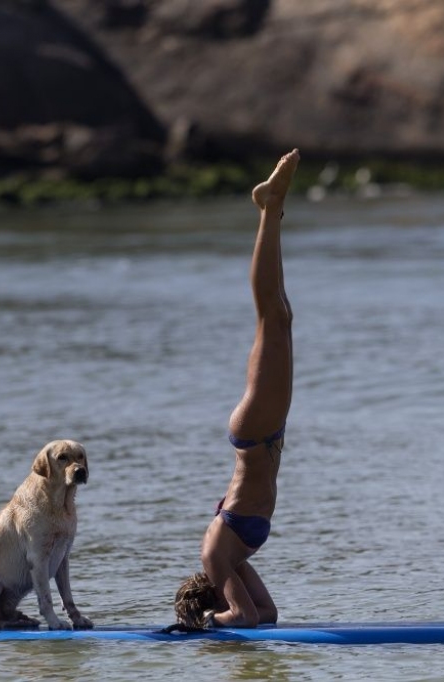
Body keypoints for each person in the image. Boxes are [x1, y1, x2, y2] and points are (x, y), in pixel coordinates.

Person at [173, 149, 299, 630]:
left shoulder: (215, 558)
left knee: (272, 314)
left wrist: (204, 624)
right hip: (266, 434)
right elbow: (263, 616)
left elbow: (241, 617)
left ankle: (270, 207)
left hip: (257, 432)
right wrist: (226, 619)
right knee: (281, 314)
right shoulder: (232, 563)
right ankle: (273, 210)